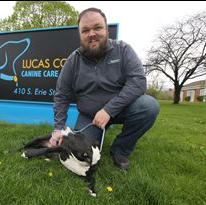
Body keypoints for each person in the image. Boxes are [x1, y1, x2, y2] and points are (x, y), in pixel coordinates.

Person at [49, 7, 160, 170]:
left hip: (122, 109)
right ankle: (94, 136)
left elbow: (138, 81)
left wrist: (109, 110)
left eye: (97, 28)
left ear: (106, 29)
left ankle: (120, 150)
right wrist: (58, 128)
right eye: (85, 30)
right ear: (80, 34)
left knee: (149, 106)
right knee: (80, 153)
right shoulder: (73, 61)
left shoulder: (123, 50)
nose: (91, 34)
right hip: (90, 116)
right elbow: (62, 95)